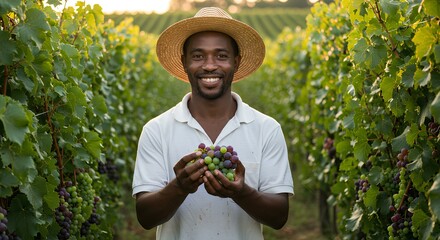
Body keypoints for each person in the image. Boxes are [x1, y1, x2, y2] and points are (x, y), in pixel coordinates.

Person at [132, 7, 294, 240]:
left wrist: (242, 193)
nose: (209, 65)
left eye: (221, 55)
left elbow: (279, 218)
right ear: (184, 62)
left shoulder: (266, 129)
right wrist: (179, 187)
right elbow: (145, 218)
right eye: (198, 56)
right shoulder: (156, 130)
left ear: (236, 62)